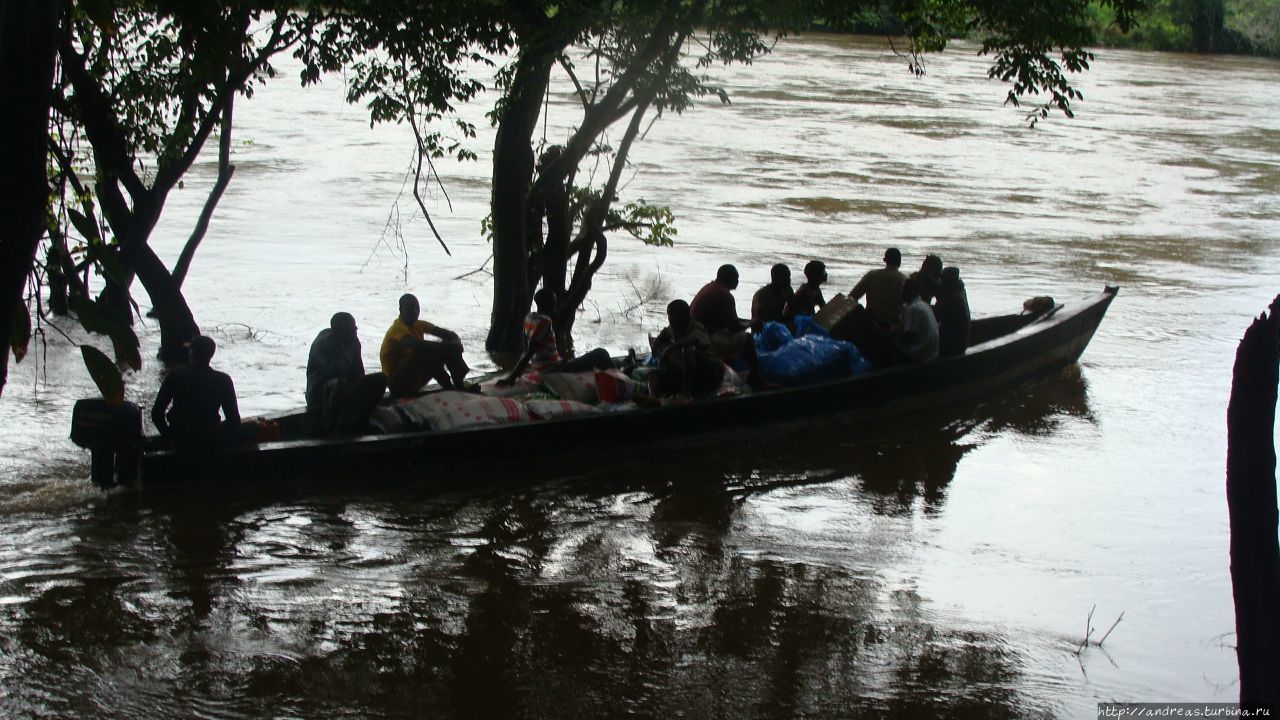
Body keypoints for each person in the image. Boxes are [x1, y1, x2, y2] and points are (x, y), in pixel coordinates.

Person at [498, 287, 614, 385]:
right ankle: (619, 377)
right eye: (553, 301)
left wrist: (516, 373)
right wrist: (511, 378)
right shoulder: (545, 322)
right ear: (548, 304)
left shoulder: (529, 318)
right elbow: (529, 352)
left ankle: (624, 364)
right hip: (552, 370)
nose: (555, 304)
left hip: (549, 365)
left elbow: (526, 349)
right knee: (601, 353)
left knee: (588, 360)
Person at [151, 335, 249, 451]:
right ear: (211, 355)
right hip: (210, 441)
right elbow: (233, 420)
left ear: (191, 353)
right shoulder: (223, 380)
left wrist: (169, 437)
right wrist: (215, 435)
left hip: (180, 439)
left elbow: (157, 413)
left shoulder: (176, 375)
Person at [379, 293, 475, 397]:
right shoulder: (397, 329)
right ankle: (449, 386)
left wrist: (455, 344)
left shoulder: (419, 325)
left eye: (416, 308)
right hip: (397, 383)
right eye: (410, 308)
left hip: (415, 378)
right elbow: (417, 345)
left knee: (446, 345)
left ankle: (459, 384)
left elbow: (450, 335)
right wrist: (450, 347)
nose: (414, 312)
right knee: (425, 350)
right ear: (400, 310)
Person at [306, 312, 387, 433]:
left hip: (346, 386)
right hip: (320, 395)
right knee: (340, 383)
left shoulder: (354, 342)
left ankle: (362, 420)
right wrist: (348, 353)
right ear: (338, 331)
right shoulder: (321, 344)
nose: (355, 330)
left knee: (381, 379)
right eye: (351, 328)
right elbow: (336, 369)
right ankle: (331, 425)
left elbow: (359, 371)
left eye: (355, 327)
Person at [690, 264, 765, 388]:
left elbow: (729, 320)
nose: (738, 281)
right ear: (729, 278)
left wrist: (751, 321)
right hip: (705, 340)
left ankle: (729, 376)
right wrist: (752, 323)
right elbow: (735, 327)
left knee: (731, 337)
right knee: (747, 340)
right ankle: (758, 380)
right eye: (736, 278)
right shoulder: (725, 295)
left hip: (696, 336)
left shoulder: (710, 287)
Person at [649, 299, 725, 398]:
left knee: (689, 351)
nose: (670, 319)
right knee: (653, 377)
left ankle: (686, 394)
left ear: (684, 316)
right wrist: (657, 344)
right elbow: (663, 335)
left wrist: (671, 347)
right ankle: (653, 400)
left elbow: (694, 339)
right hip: (683, 374)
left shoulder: (696, 327)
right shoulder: (672, 328)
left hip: (707, 374)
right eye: (669, 315)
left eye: (673, 316)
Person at [849, 247, 906, 327]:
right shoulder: (904, 280)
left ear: (884, 260)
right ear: (899, 262)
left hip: (870, 323)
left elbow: (852, 297)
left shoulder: (872, 275)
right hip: (894, 326)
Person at [894, 277, 940, 364]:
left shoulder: (912, 308)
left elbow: (910, 337)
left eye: (903, 289)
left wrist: (894, 331)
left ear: (910, 291)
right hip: (931, 353)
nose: (901, 292)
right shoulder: (925, 305)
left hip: (919, 355)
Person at [933, 266, 971, 357]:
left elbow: (935, 316)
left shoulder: (952, 297)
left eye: (941, 279)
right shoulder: (960, 292)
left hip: (952, 347)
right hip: (961, 343)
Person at [750, 264, 793, 331]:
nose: (789, 280)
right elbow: (761, 319)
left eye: (789, 277)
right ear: (776, 278)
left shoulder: (787, 291)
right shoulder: (762, 294)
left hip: (778, 325)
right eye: (786, 277)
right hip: (763, 330)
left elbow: (794, 308)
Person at [783, 260, 828, 325]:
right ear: (815, 275)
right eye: (823, 272)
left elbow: (824, 308)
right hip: (793, 323)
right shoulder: (805, 293)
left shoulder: (815, 290)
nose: (826, 274)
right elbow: (810, 314)